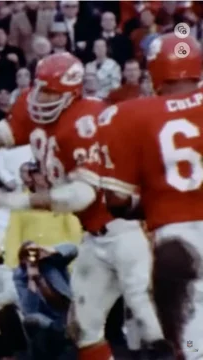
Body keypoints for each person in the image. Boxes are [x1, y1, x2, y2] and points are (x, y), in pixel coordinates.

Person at [0, 52, 167, 360]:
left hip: (128, 229)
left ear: (72, 93)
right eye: (41, 88)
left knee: (149, 320)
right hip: (95, 235)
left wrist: (17, 200)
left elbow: (83, 194)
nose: (42, 97)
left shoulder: (86, 119)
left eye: (52, 91)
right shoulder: (35, 107)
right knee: (82, 328)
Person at [95, 33, 203, 359]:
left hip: (176, 238)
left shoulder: (131, 114)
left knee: (191, 340)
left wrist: (149, 202)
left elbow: (115, 199)